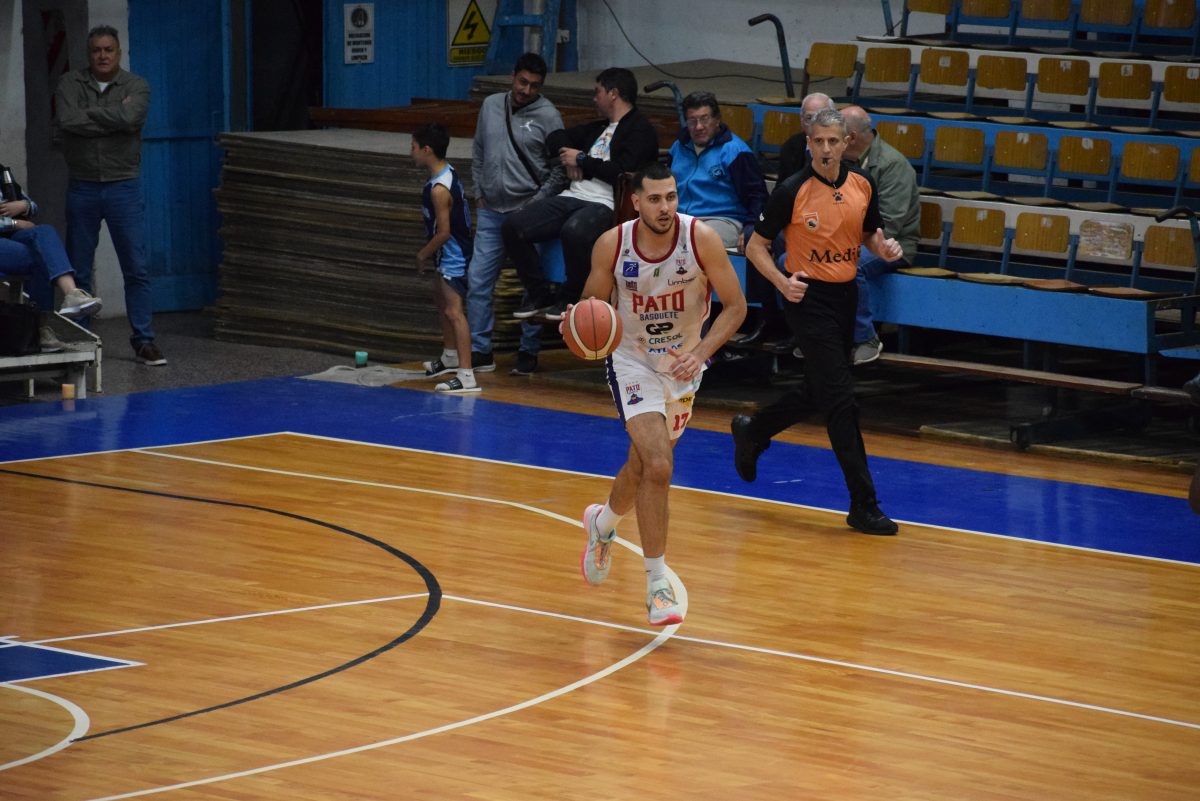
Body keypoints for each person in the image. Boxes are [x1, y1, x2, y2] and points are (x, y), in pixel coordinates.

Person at [576, 162, 747, 625]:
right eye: (654, 199)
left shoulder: (701, 239)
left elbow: (736, 307)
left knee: (642, 465)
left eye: (671, 197)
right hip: (632, 361)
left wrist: (701, 353)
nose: (665, 207)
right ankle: (657, 585)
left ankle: (602, 525)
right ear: (636, 201)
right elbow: (590, 310)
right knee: (658, 464)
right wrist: (579, 323)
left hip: (684, 364)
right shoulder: (612, 245)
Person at [733, 108, 903, 536]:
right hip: (807, 297)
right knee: (842, 400)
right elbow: (755, 246)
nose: (826, 149)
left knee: (820, 390)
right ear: (808, 143)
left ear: (846, 143)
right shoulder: (792, 190)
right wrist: (781, 282)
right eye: (818, 141)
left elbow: (869, 233)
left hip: (845, 297)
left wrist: (883, 248)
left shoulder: (862, 183)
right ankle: (864, 505)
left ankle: (755, 430)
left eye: (833, 141)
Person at [501, 67, 659, 374]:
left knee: (574, 231)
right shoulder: (597, 127)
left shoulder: (641, 130)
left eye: (597, 91)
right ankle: (539, 293)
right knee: (513, 226)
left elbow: (623, 171)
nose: (594, 98)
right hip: (572, 196)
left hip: (608, 204)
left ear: (613, 93)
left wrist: (584, 160)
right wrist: (568, 156)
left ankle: (571, 296)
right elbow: (555, 137)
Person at [53, 25, 163, 366]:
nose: (102, 55)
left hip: (123, 186)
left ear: (118, 53)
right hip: (82, 186)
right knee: (78, 270)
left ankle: (144, 341)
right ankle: (81, 342)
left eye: (108, 50)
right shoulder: (70, 83)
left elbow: (131, 117)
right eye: (96, 50)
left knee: (136, 268)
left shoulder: (136, 86)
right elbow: (68, 120)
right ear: (89, 54)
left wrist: (92, 116)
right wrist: (115, 118)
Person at [469, 52, 566, 377]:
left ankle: (528, 350)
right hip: (492, 212)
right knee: (478, 280)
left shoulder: (549, 116)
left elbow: (560, 170)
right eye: (522, 82)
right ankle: (480, 350)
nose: (526, 90)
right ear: (513, 76)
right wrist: (478, 192)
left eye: (534, 86)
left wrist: (536, 205)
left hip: (528, 215)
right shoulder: (490, 106)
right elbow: (479, 150)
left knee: (532, 286)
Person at [840, 105, 920, 365]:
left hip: (893, 246)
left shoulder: (892, 165)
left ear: (851, 137)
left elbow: (888, 225)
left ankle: (866, 338)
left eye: (836, 134)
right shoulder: (841, 161)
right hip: (852, 240)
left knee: (848, 263)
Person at [1, 169, 103, 351]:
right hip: (7, 235)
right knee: (42, 257)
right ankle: (41, 329)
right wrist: (16, 223)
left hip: (13, 236)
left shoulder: (2, 173)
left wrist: (24, 205)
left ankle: (72, 294)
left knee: (45, 232)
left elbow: (32, 206)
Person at [411, 123, 478, 394]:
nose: (411, 152)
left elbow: (444, 232)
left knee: (454, 311)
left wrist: (422, 254)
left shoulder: (439, 189)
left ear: (426, 150)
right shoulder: (446, 173)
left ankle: (467, 375)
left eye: (413, 147)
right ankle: (450, 356)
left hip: (453, 254)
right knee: (440, 299)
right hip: (447, 253)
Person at [668, 91, 768, 253]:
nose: (699, 127)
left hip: (723, 220)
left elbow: (758, 194)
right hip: (679, 219)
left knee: (693, 241)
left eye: (704, 119)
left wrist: (752, 225)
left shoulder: (735, 151)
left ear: (717, 120)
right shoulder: (678, 147)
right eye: (692, 121)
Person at [777, 92, 837, 182]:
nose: (814, 125)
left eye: (821, 118)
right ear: (801, 120)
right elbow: (782, 186)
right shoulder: (791, 146)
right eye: (809, 118)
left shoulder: (841, 147)